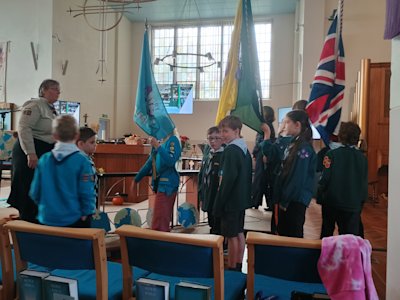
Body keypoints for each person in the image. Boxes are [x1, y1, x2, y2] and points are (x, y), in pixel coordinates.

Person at [7, 79, 60, 222]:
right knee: (28, 187)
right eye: (54, 89)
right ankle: (27, 221)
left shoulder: (51, 108)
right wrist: (30, 153)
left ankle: (36, 219)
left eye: (58, 89)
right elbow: (24, 128)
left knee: (40, 187)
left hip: (44, 150)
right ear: (43, 90)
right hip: (30, 150)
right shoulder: (35, 105)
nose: (58, 92)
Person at [29, 115, 96, 227]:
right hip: (74, 219)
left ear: (54, 136)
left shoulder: (44, 160)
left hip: (47, 218)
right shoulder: (82, 161)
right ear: (77, 135)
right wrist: (87, 212)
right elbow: (86, 192)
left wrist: (46, 208)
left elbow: (35, 192)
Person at [261, 110, 316, 238]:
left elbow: (297, 179)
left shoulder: (303, 148)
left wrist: (285, 201)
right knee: (284, 233)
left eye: (287, 122)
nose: (284, 125)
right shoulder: (294, 143)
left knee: (292, 235)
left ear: (297, 125)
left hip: (293, 201)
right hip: (288, 198)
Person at [213, 116, 252, 271]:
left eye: (226, 131)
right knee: (239, 232)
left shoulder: (230, 150)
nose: (223, 134)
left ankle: (232, 265)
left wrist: (219, 202)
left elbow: (227, 180)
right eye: (221, 131)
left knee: (231, 235)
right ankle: (238, 263)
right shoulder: (244, 149)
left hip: (230, 201)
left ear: (237, 131)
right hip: (240, 199)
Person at [317, 122, 368, 238]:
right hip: (352, 204)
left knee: (327, 234)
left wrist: (320, 195)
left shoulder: (331, 154)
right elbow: (363, 183)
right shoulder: (362, 158)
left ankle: (326, 256)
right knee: (349, 239)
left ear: (340, 136)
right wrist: (360, 202)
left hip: (332, 202)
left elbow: (325, 178)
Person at [132, 130, 181, 232]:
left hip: (168, 185)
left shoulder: (173, 140)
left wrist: (158, 146)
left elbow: (170, 161)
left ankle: (160, 245)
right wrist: (136, 179)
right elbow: (150, 163)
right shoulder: (162, 142)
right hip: (160, 185)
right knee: (159, 220)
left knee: (160, 222)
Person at [198, 126, 224, 234]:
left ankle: (219, 247)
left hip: (217, 197)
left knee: (218, 224)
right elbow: (202, 176)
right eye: (210, 138)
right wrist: (201, 195)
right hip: (207, 195)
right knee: (211, 223)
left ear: (222, 139)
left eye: (216, 138)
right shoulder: (208, 155)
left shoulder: (224, 155)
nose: (213, 141)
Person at [252, 106, 276, 210]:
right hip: (264, 154)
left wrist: (254, 152)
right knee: (265, 179)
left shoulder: (265, 127)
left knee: (259, 179)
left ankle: (255, 202)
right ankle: (268, 203)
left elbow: (260, 142)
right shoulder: (270, 126)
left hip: (262, 155)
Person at [77, 127, 99, 207]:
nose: (95, 145)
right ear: (81, 144)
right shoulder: (80, 162)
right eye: (92, 142)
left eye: (95, 142)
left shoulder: (87, 159)